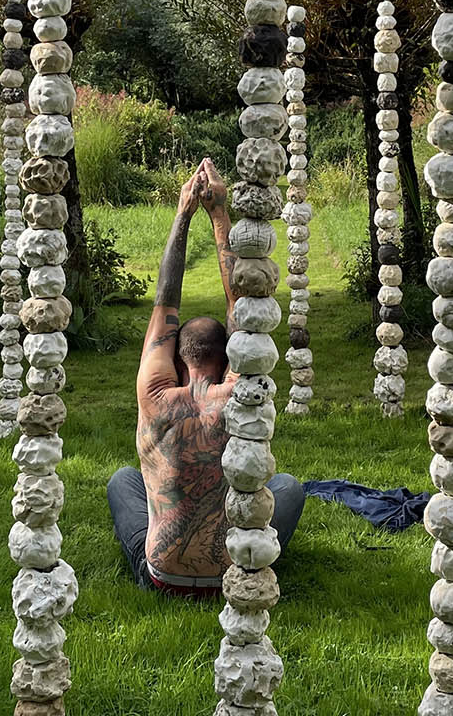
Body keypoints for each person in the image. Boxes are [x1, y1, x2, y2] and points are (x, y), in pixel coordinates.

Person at [107, 158, 306, 596]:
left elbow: (164, 303)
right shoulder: (238, 392)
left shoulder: (155, 394)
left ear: (178, 358)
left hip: (162, 573)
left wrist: (183, 214)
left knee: (123, 480)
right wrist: (220, 214)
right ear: (228, 358)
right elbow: (244, 310)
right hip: (232, 570)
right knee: (288, 488)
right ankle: (260, 556)